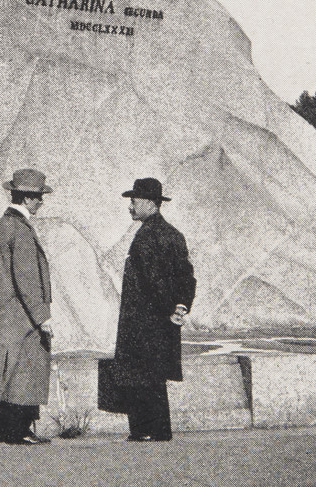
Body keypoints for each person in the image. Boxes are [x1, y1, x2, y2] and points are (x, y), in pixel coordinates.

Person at [0, 168, 55, 445]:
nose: (41, 203)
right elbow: (28, 279)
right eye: (40, 198)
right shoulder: (20, 230)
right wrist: (42, 317)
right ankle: (18, 431)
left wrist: (1, 291)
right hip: (22, 316)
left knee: (2, 370)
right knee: (23, 372)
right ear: (29, 199)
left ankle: (3, 430)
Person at [113, 177, 196, 442]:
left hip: (145, 320)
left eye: (134, 202)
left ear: (150, 203)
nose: (130, 207)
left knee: (142, 375)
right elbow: (187, 276)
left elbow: (153, 281)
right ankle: (157, 430)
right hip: (163, 318)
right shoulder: (173, 234)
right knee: (155, 376)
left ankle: (147, 430)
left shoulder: (147, 236)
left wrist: (165, 308)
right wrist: (180, 307)